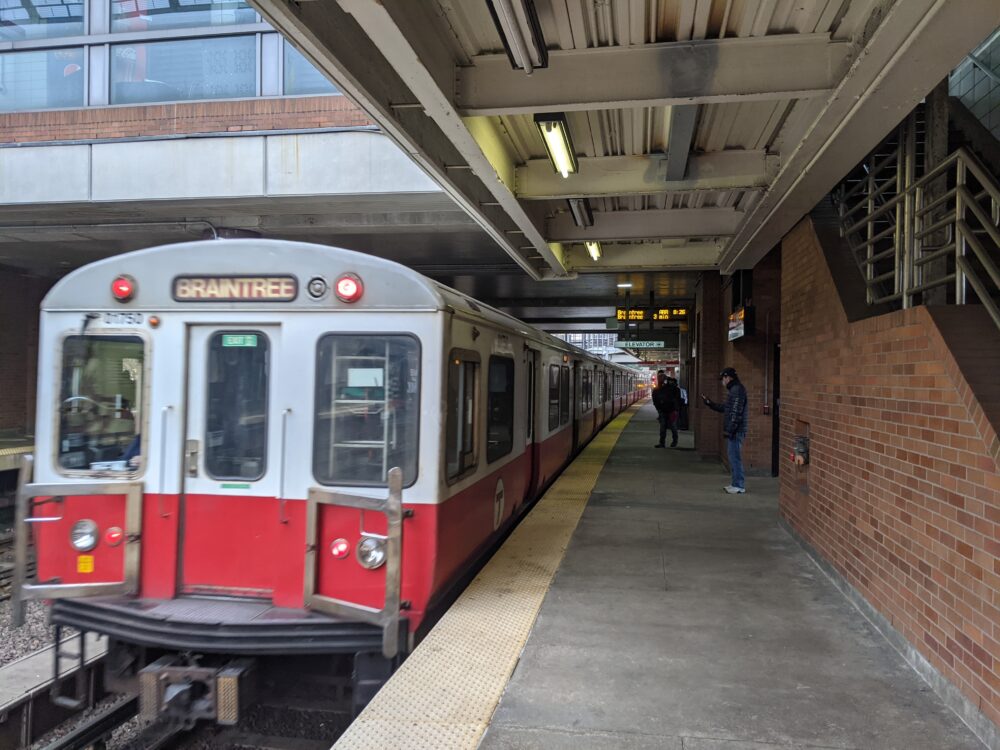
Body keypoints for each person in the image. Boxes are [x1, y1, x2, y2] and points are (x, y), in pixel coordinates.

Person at [702, 367, 748, 494]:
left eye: (723, 378)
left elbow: (736, 412)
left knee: (735, 458)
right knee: (733, 457)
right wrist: (710, 403)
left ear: (728, 377)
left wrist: (731, 429)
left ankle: (739, 485)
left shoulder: (737, 390)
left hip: (736, 430)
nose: (722, 381)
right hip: (735, 429)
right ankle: (735, 483)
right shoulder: (735, 390)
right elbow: (726, 408)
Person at [652, 371, 681, 448]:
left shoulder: (672, 388)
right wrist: (659, 409)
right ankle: (662, 443)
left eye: (662, 379)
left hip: (672, 411)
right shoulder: (656, 390)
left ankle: (674, 441)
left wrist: (676, 408)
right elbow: (655, 401)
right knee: (663, 428)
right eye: (660, 379)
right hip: (663, 411)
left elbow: (677, 396)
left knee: (673, 427)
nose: (661, 380)